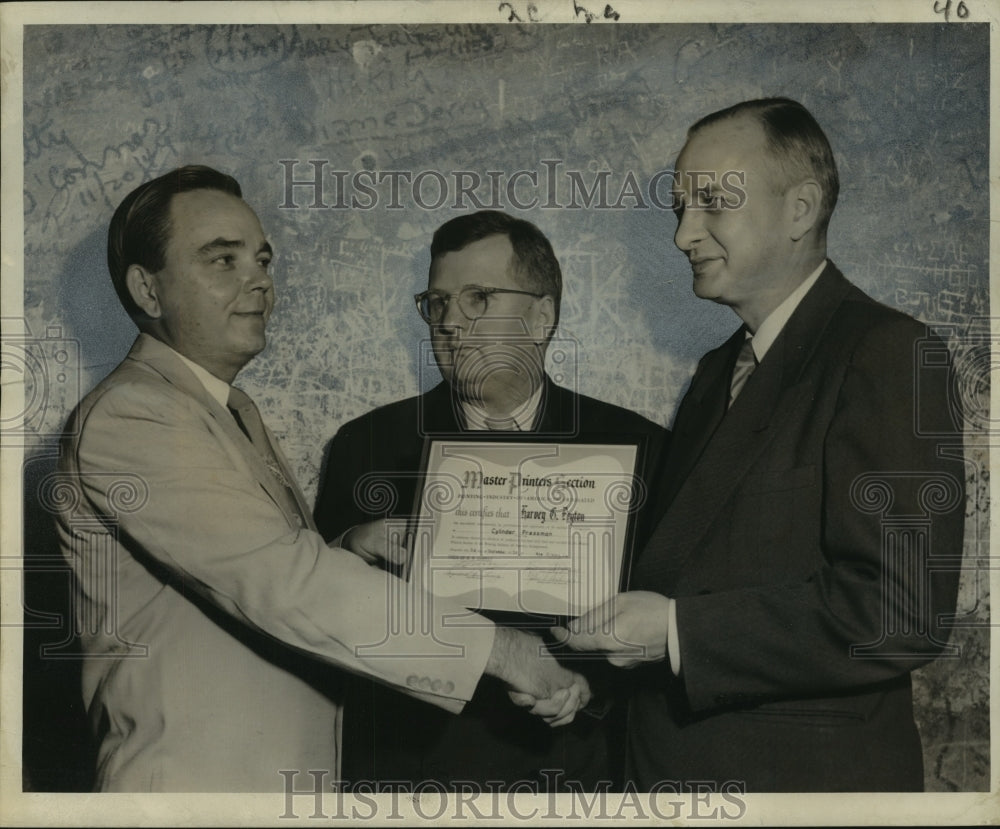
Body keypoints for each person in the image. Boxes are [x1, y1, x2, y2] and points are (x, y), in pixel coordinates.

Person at [53, 167, 590, 793]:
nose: (257, 279)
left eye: (260, 259)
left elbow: (246, 576)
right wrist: (505, 651)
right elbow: (284, 585)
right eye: (221, 260)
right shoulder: (133, 414)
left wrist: (346, 551)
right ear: (148, 290)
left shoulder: (227, 408)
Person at [555, 98, 964, 791]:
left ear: (800, 209)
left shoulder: (890, 352)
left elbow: (901, 611)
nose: (684, 234)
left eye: (713, 203)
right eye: (681, 207)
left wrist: (680, 633)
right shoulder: (721, 369)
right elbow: (684, 572)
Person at [314, 210, 668, 790]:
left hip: (572, 777)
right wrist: (351, 550)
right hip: (409, 780)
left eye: (478, 298)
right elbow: (320, 614)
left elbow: (665, 617)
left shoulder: (642, 448)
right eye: (438, 302)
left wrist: (590, 686)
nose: (450, 321)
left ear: (541, 316)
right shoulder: (367, 445)